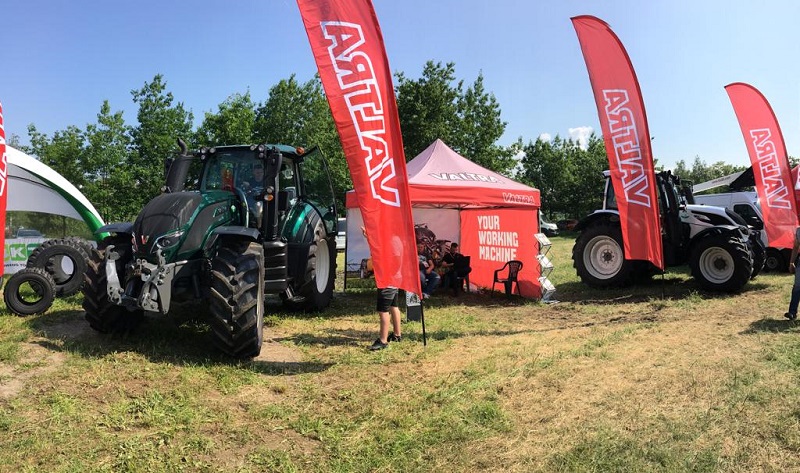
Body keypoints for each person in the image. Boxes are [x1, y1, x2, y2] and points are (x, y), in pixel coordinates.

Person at [361, 226, 403, 350]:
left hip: (388, 280)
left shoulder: (391, 241)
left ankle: (383, 341)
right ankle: (397, 334)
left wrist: (384, 270)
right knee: (393, 306)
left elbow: (391, 257)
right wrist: (368, 236)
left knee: (383, 311)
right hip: (393, 278)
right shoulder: (395, 239)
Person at [785, 227, 800, 320]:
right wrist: (791, 263)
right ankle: (792, 312)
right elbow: (795, 247)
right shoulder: (799, 231)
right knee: (797, 287)